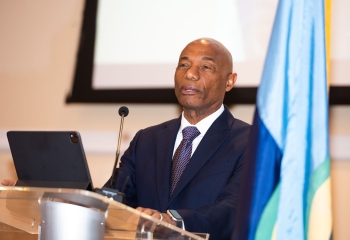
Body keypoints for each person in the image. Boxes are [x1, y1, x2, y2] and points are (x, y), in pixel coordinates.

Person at [2, 38, 251, 239]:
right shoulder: (148, 139)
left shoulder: (248, 141)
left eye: (206, 67)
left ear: (230, 81)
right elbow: (113, 200)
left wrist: (171, 219)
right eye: (183, 65)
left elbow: (234, 210)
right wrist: (37, 193)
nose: (190, 74)